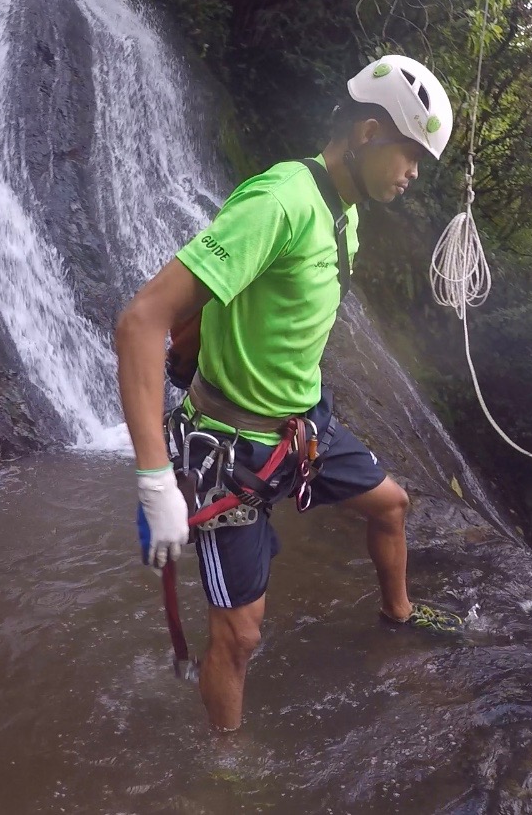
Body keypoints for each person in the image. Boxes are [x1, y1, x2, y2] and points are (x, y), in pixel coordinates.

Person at [116, 54, 456, 732]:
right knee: (240, 636)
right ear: (366, 133)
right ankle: (224, 770)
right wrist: (156, 479)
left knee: (391, 504)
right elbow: (140, 320)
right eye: (410, 153)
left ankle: (398, 613)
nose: (413, 172)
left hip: (303, 427)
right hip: (232, 449)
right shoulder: (281, 201)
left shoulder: (344, 213)